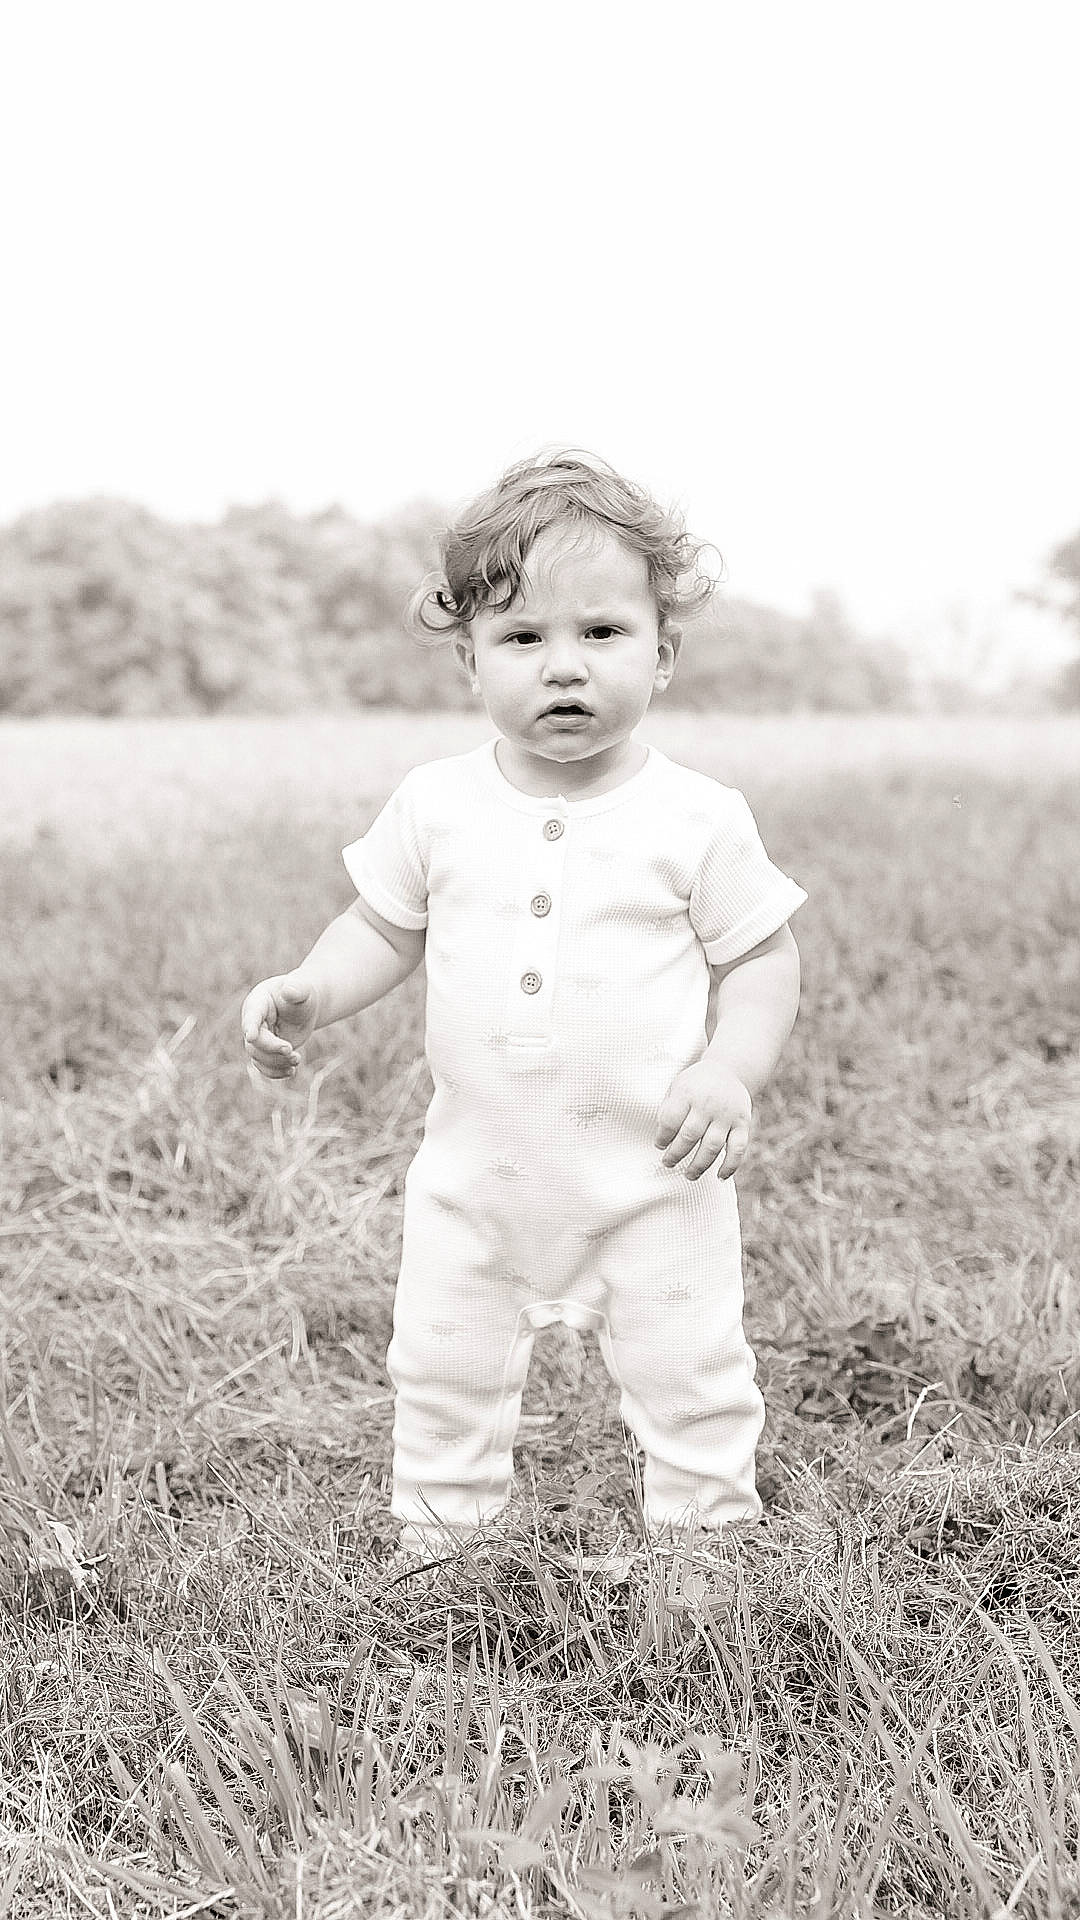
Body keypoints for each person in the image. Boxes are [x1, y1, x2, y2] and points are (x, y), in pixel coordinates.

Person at [241, 450, 806, 1592]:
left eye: (601, 632)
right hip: (476, 1182)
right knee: (440, 1368)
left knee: (690, 1370)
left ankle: (704, 1555)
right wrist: (313, 986)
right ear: (469, 660)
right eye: (521, 637)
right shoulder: (436, 804)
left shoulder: (695, 818)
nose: (563, 665)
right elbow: (380, 925)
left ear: (663, 652)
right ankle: (441, 1555)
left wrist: (728, 1071)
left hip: (653, 1178)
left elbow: (760, 959)